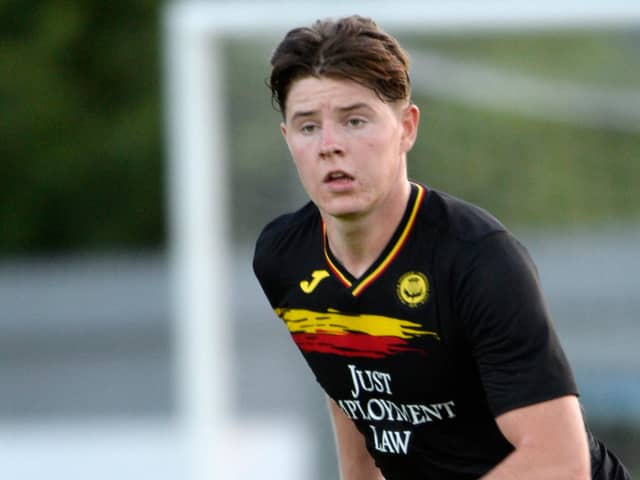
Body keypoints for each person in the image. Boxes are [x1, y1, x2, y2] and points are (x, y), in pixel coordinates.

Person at [252, 15, 631, 480]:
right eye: (308, 127)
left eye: (355, 120)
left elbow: (559, 462)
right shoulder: (283, 257)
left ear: (406, 128)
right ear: (288, 140)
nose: (330, 145)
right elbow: (350, 392)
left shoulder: (478, 258)